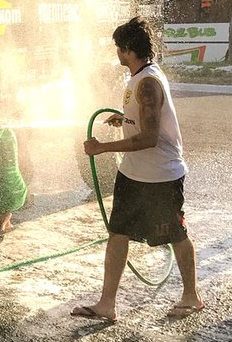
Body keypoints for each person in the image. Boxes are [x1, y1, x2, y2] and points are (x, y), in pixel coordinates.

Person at [76, 17, 203, 322]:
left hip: (160, 177)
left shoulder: (147, 83)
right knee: (118, 233)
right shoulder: (140, 77)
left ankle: (192, 297)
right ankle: (107, 304)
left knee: (176, 235)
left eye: (119, 48)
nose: (116, 53)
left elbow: (149, 138)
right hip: (133, 174)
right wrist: (126, 118)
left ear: (128, 50)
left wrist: (103, 148)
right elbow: (144, 122)